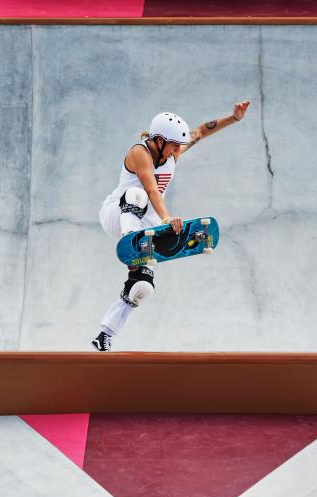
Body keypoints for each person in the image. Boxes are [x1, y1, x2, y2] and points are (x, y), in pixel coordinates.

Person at [91, 101, 251, 352]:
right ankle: (134, 245)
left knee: (142, 288)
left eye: (179, 145)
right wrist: (166, 220)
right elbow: (152, 190)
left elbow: (200, 132)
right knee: (137, 194)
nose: (177, 149)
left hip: (147, 222)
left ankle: (105, 334)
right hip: (118, 214)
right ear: (157, 140)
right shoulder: (139, 152)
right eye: (173, 145)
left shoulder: (173, 150)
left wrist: (234, 118)